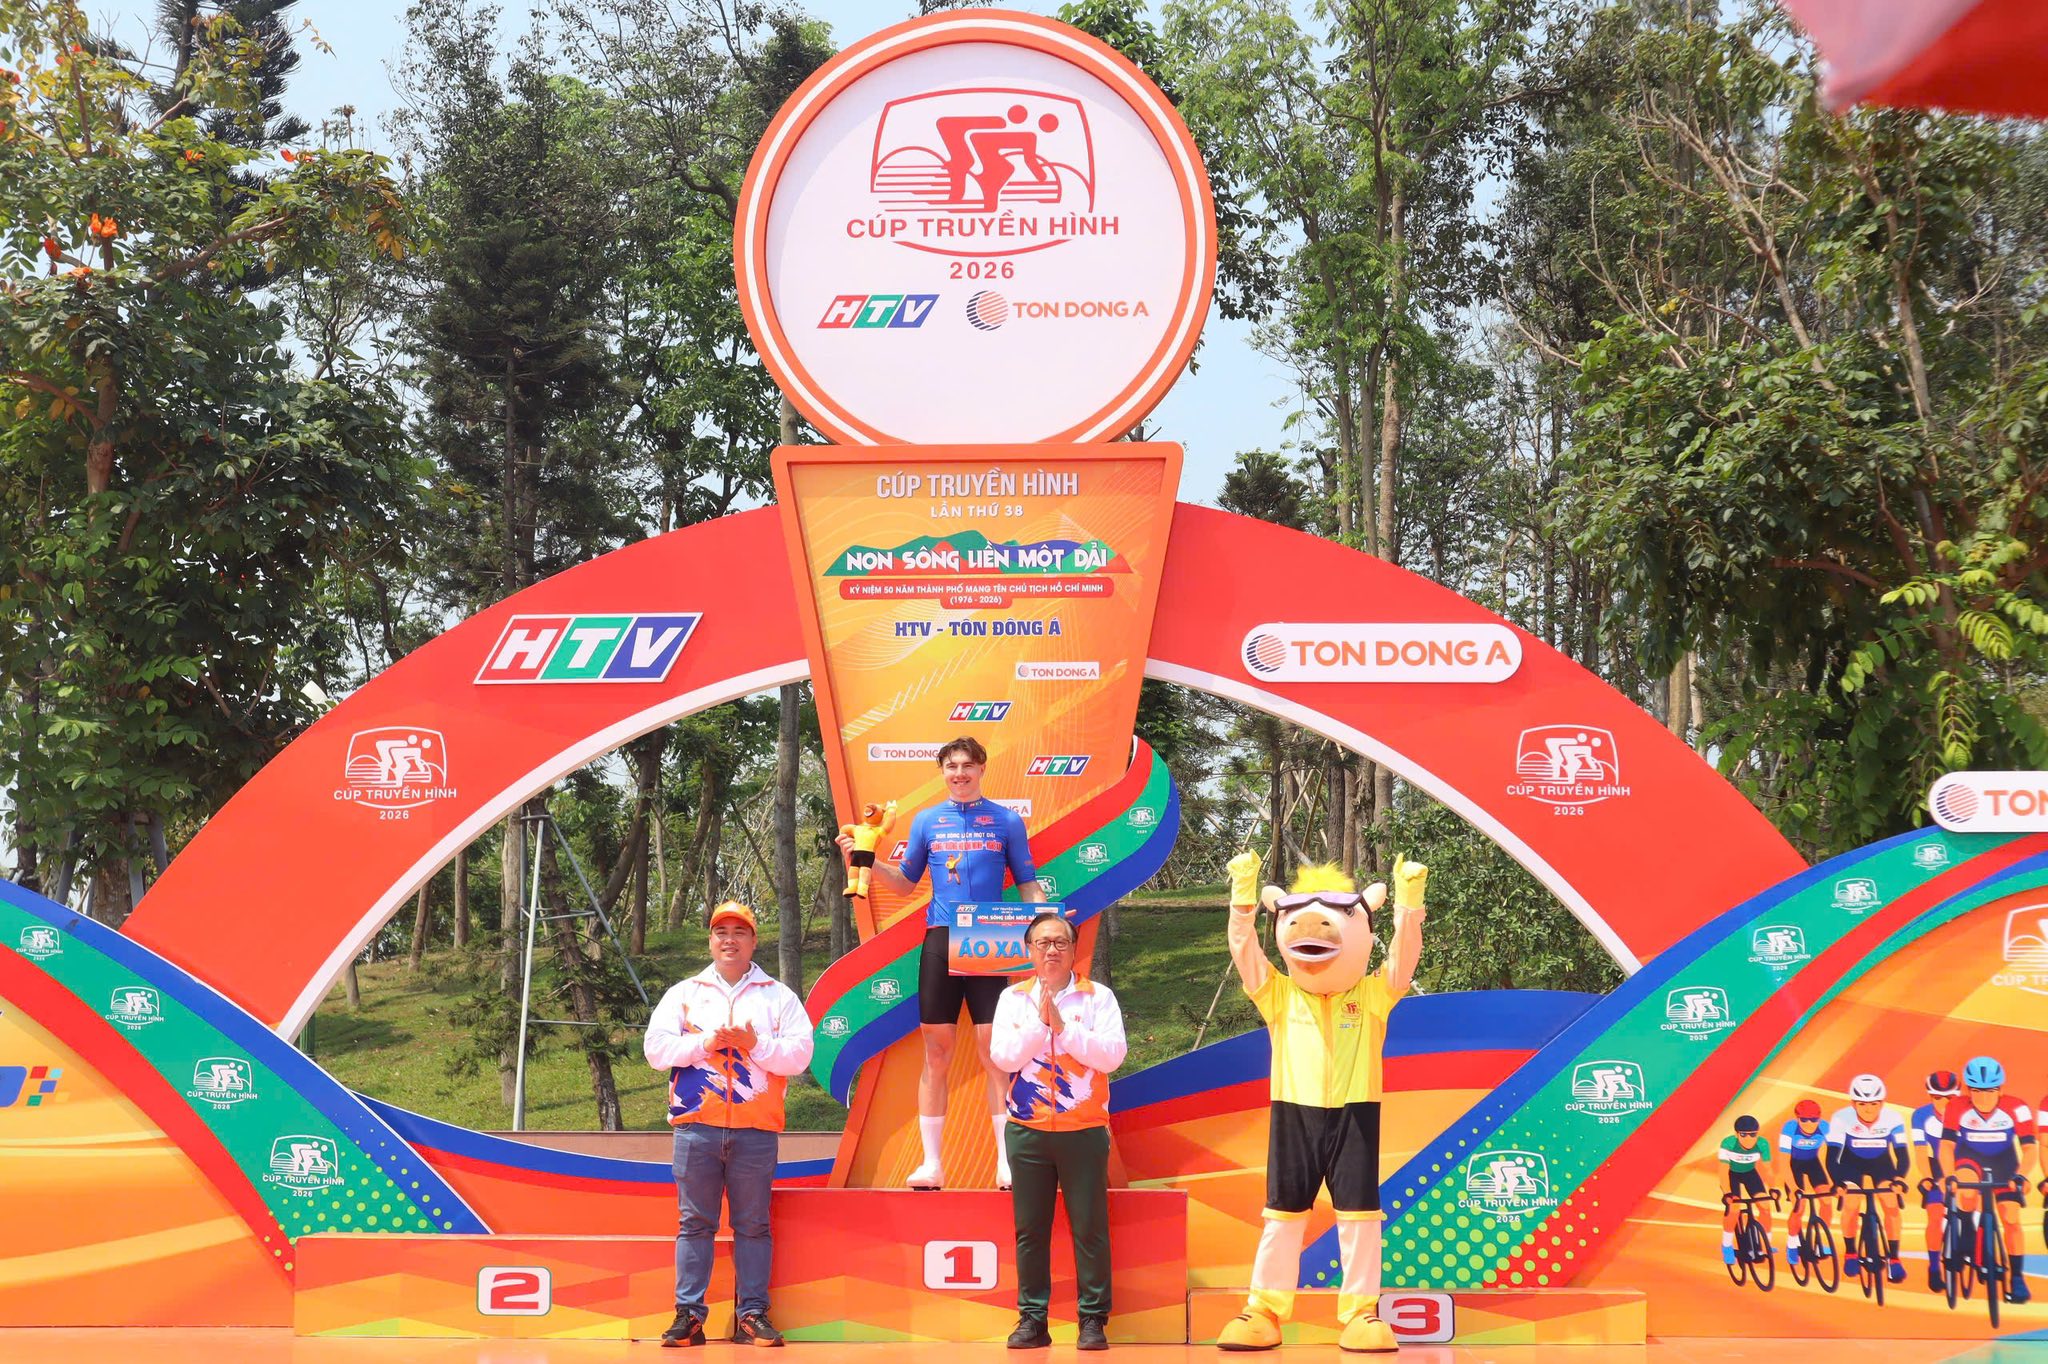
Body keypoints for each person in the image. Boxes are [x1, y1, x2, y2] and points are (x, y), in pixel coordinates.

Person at [1214, 853, 1427, 1354]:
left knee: (1360, 1218)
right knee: (1282, 1215)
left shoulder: (1372, 996)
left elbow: (1403, 961)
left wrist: (1409, 905)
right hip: (1294, 1115)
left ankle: (1360, 1313)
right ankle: (1264, 1310)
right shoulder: (1279, 995)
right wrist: (1242, 897)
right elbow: (1244, 949)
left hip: (1356, 1116)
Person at [839, 736, 1043, 1190]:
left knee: (995, 1051)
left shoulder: (1007, 821)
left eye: (967, 765)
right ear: (943, 772)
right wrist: (863, 858)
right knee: (937, 1052)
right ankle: (931, 1164)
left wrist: (1047, 926)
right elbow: (904, 883)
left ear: (982, 768)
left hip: (988, 938)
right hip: (940, 937)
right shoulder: (927, 821)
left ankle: (1007, 1162)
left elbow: (1028, 883)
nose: (959, 774)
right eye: (951, 766)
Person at [643, 901, 815, 1348]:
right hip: (696, 1127)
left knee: (753, 1225)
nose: (730, 940)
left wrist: (755, 1045)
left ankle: (752, 1314)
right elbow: (656, 1050)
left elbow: (800, 1056)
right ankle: (689, 1316)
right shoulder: (684, 993)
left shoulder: (778, 996)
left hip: (756, 1130)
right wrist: (706, 1042)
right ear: (710, 941)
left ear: (754, 941)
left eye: (740, 932)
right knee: (694, 1224)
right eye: (722, 932)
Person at [988, 910, 1127, 1351]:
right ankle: (1033, 1319)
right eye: (1043, 943)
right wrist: (1040, 1023)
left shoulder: (1097, 997)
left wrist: (1064, 1029)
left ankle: (1093, 1320)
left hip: (1083, 1129)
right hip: (1027, 1131)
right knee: (1030, 1230)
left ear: (1073, 950)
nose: (1052, 950)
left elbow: (1112, 1056)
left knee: (1089, 1227)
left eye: (1060, 942)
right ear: (1029, 950)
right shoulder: (1013, 999)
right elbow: (1004, 1057)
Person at [1938, 1055, 2037, 1305]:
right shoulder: (1956, 1106)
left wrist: (2022, 1175)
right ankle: (1966, 1234)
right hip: (1969, 1159)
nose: (1983, 1098)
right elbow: (1947, 1146)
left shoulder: (2017, 1107)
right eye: (1976, 1091)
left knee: (2011, 1219)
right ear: (1967, 1091)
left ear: (2000, 1090)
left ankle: (2017, 1278)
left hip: (2005, 1163)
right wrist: (1949, 1176)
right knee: (1966, 1191)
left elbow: (2029, 1149)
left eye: (1990, 1091)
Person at [1825, 1073, 1911, 1284]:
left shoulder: (1893, 1119)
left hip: (1881, 1164)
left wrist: (1899, 1179)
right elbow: (1832, 1157)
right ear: (1853, 1104)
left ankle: (1894, 1258)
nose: (1869, 1110)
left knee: (1891, 1204)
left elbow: (1902, 1155)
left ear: (1882, 1103)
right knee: (1851, 1203)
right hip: (1850, 1164)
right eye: (1862, 1104)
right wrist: (1838, 1182)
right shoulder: (1840, 1118)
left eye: (1874, 1104)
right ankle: (1850, 1252)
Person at [1913, 1068, 1962, 1292]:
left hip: (1964, 1164)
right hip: (1936, 1167)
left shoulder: (1968, 1113)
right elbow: (1921, 1152)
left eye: (1949, 1098)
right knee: (1935, 1216)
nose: (1943, 1103)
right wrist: (1927, 1177)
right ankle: (1934, 1266)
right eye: (1937, 1098)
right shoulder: (1920, 1116)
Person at [1777, 1099, 1829, 1269]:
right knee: (1799, 1206)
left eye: (1813, 1120)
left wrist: (1838, 1182)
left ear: (1819, 1119)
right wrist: (1793, 1188)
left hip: (1813, 1163)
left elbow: (1836, 1156)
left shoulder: (1826, 1127)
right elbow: (1784, 1162)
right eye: (1804, 1120)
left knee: (1827, 1201)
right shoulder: (1789, 1129)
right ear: (1797, 1118)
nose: (1809, 1124)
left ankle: (1822, 1240)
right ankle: (1792, 1244)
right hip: (1794, 1165)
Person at [1718, 1115, 1775, 1267]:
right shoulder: (1728, 1143)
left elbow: (1768, 1169)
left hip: (1750, 1174)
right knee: (1734, 1209)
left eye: (1753, 1134)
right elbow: (1723, 1171)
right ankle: (1726, 1245)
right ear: (1736, 1134)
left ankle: (1767, 1243)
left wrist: (1773, 1188)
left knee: (1765, 1207)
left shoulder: (1762, 1144)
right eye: (1744, 1135)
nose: (1749, 1139)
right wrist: (1727, 1193)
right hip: (1732, 1175)